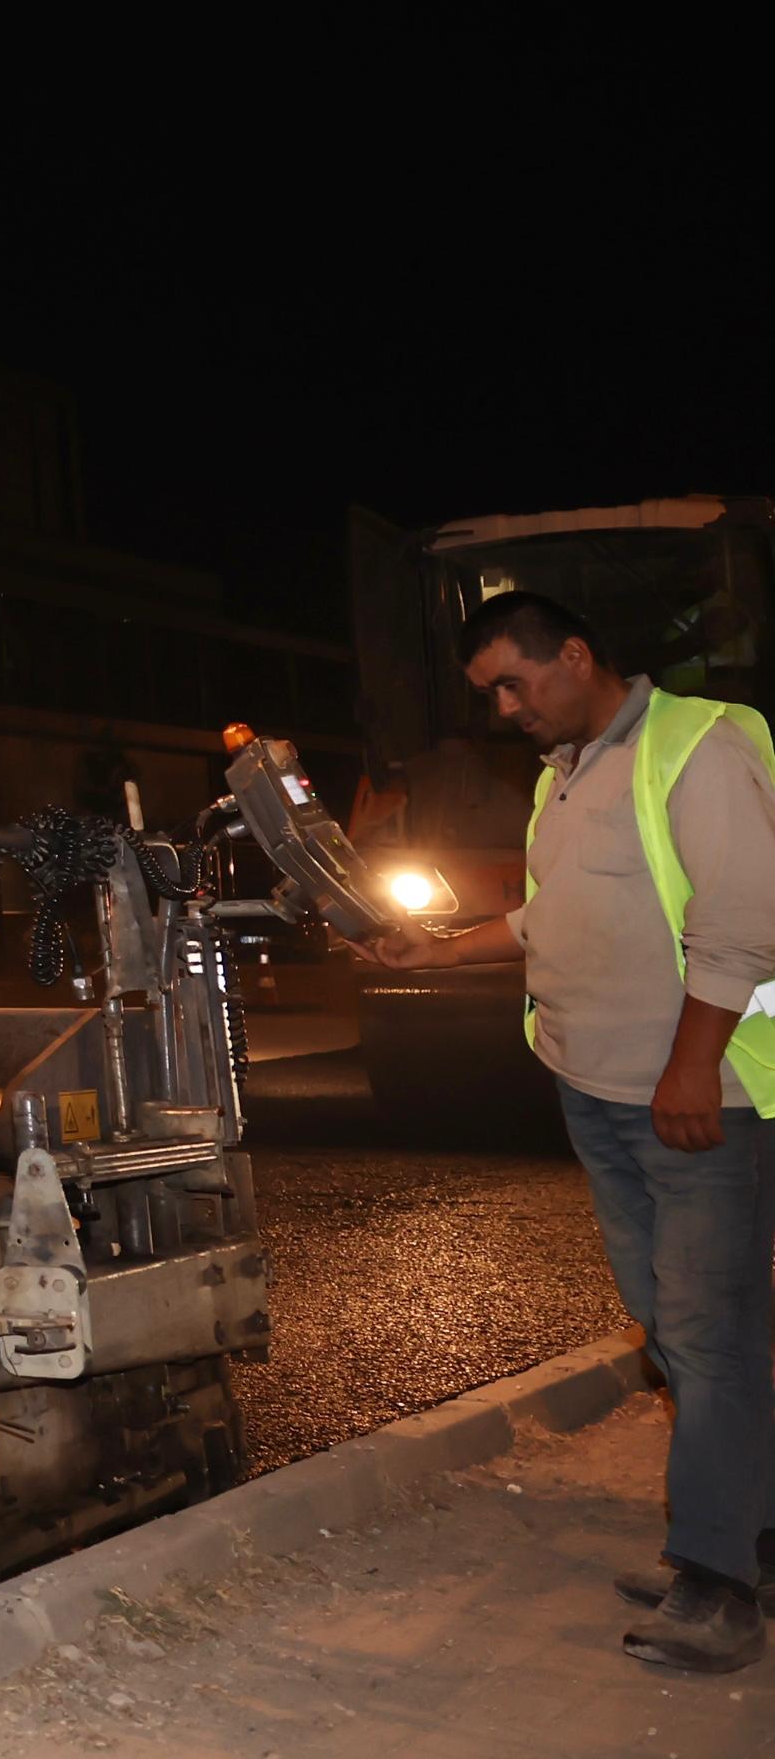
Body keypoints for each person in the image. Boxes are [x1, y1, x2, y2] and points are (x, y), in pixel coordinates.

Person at [349, 590, 775, 1673]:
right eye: (489, 691)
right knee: (676, 1334)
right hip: (600, 1094)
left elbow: (740, 921)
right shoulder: (566, 777)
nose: (504, 708)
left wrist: (690, 1067)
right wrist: (442, 951)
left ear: (576, 655)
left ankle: (719, 1590)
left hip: (693, 1105)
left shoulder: (697, 745)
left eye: (514, 682)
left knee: (709, 1338)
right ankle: (747, 1536)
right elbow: (555, 913)